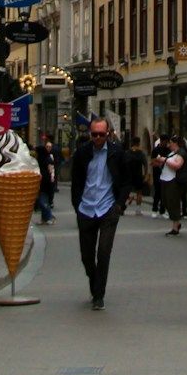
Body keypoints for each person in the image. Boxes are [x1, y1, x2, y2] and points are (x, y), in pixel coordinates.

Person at [67, 116, 137, 310]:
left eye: (101, 134)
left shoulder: (117, 153)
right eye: (94, 134)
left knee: (104, 253)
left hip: (108, 209)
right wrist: (77, 205)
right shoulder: (82, 153)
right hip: (86, 209)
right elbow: (76, 182)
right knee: (86, 256)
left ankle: (99, 295)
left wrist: (119, 206)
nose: (97, 138)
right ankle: (94, 283)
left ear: (108, 134)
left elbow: (126, 181)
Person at [34, 131, 58, 225]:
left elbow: (51, 171)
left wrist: (51, 181)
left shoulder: (47, 159)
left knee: (43, 201)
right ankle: (45, 218)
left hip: (45, 183)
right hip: (43, 183)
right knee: (43, 201)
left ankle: (49, 217)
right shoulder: (45, 159)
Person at [124, 132, 149, 213]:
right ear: (138, 143)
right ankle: (138, 209)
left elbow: (124, 163)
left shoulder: (128, 152)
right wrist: (145, 175)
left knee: (125, 191)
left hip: (128, 174)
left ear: (132, 142)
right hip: (138, 174)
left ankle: (122, 207)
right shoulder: (141, 153)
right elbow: (145, 164)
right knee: (139, 192)